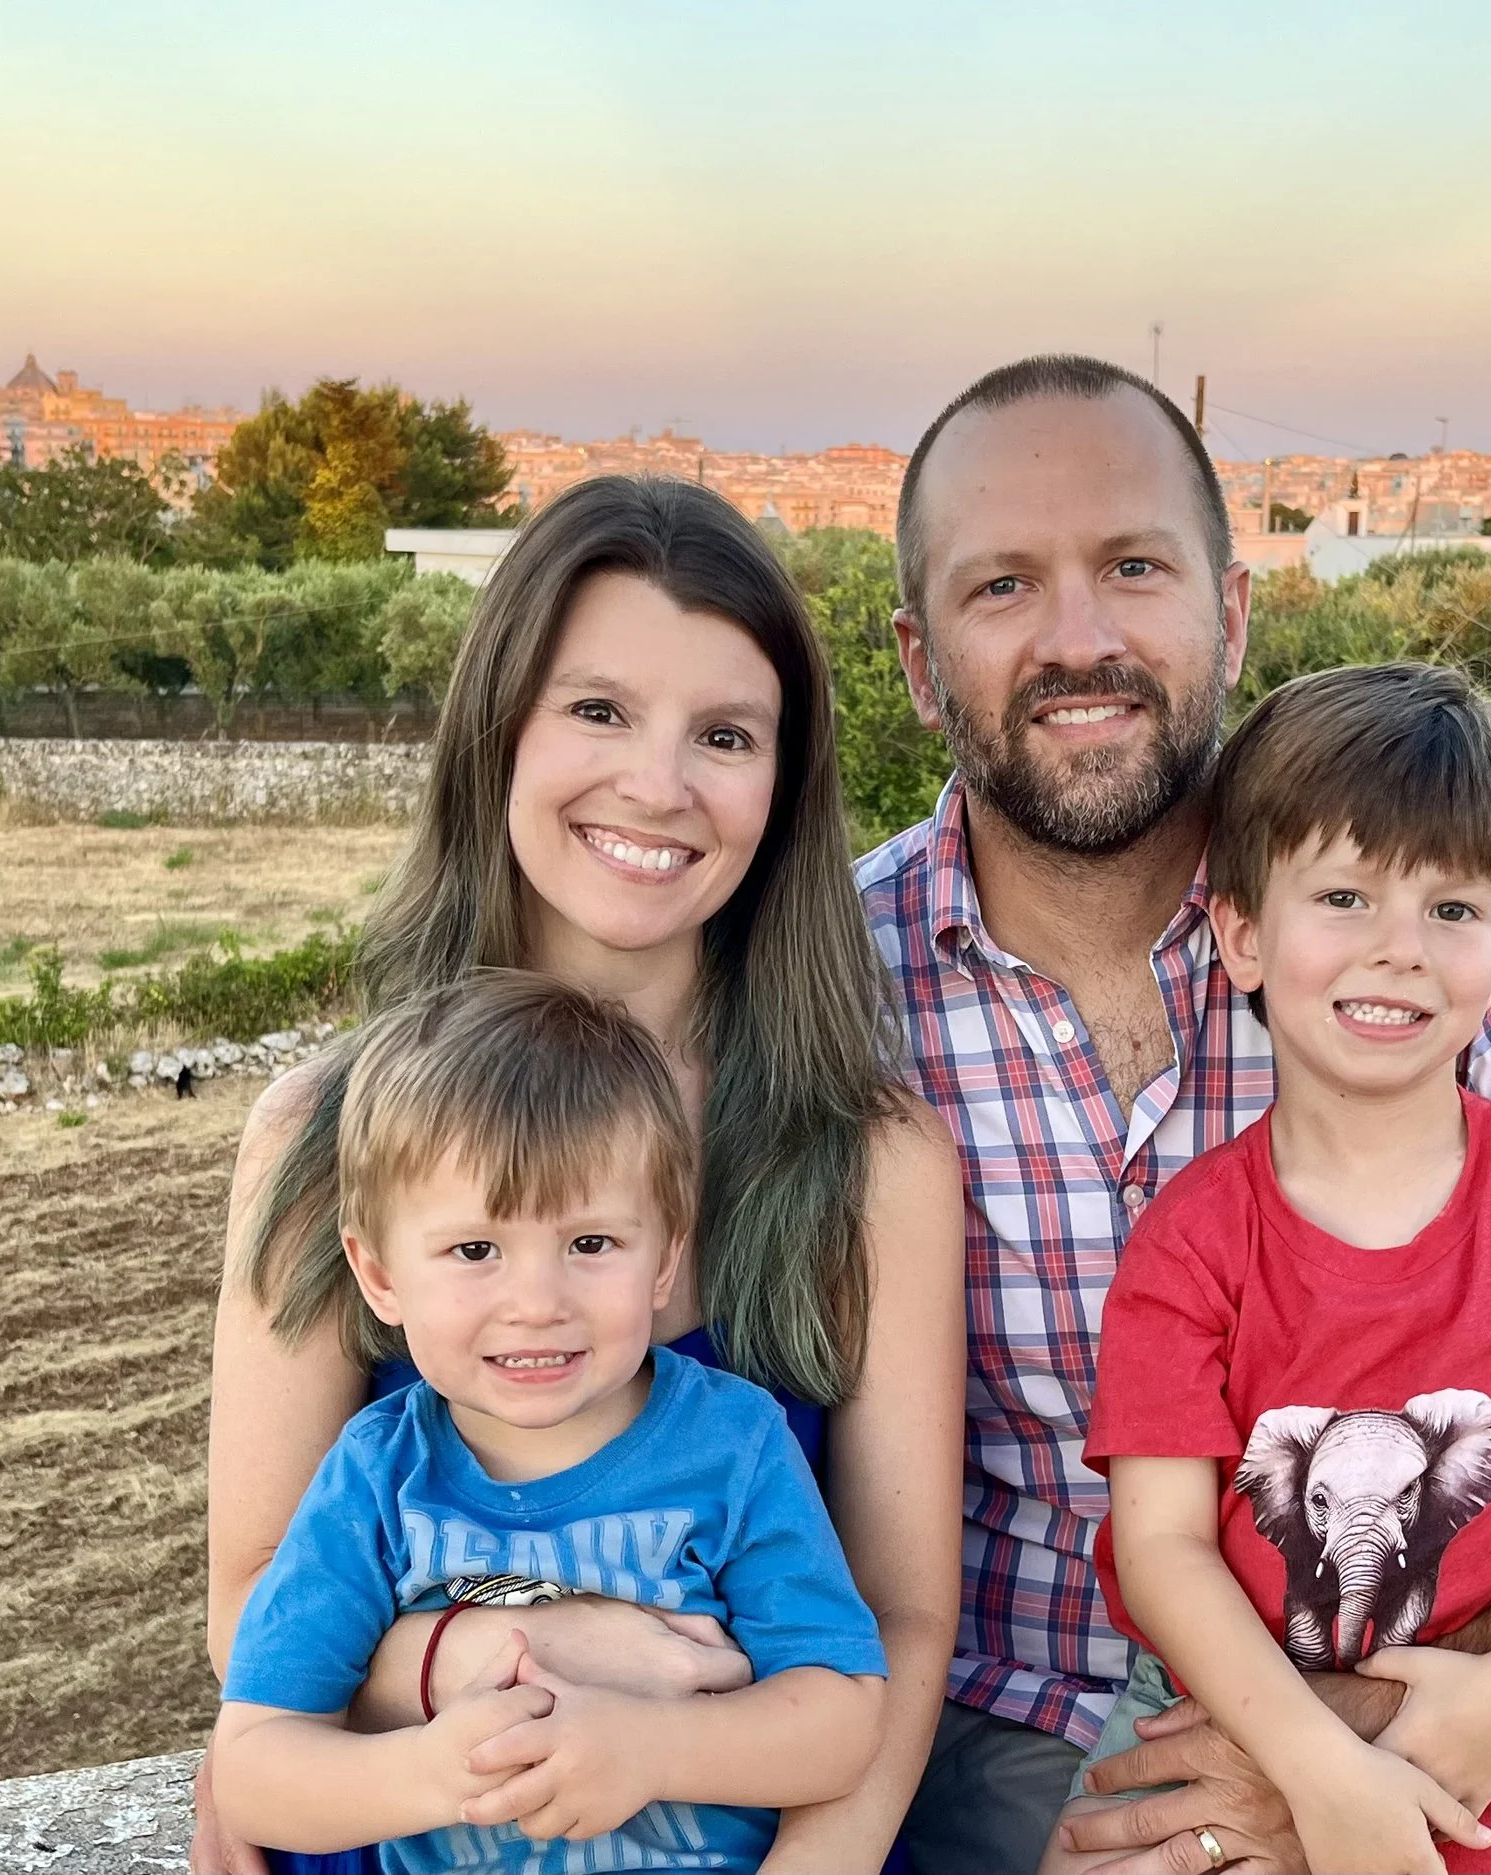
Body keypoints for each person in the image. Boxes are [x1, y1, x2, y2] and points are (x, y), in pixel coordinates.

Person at [856, 355, 1491, 1875]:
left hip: (1478, 1720)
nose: (1079, 637)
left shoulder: (1440, 969)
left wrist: (1363, 1737)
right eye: (1005, 583)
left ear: (1229, 613)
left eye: (1134, 566)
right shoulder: (835, 992)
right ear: (915, 655)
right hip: (1046, 1749)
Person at [195, 477, 965, 1875]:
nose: (657, 784)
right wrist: (506, 1649)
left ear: (782, 784)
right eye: (598, 709)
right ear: (498, 728)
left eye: (724, 734)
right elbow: (254, 1604)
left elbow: (901, 1617)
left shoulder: (870, 1157)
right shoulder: (319, 1135)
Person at [1049, 664, 1491, 1875]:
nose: (1399, 951)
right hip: (1223, 1715)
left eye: (1452, 911)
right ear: (1244, 936)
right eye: (1346, 897)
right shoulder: (1189, 1243)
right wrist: (1318, 1775)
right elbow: (1162, 1549)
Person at [210, 971, 889, 1871]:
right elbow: (255, 1765)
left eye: (590, 1243)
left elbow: (841, 1715)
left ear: (664, 1257)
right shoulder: (377, 1478)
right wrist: (434, 1769)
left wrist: (652, 1748)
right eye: (476, 1249)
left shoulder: (734, 1443)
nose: (538, 1302)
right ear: (378, 1276)